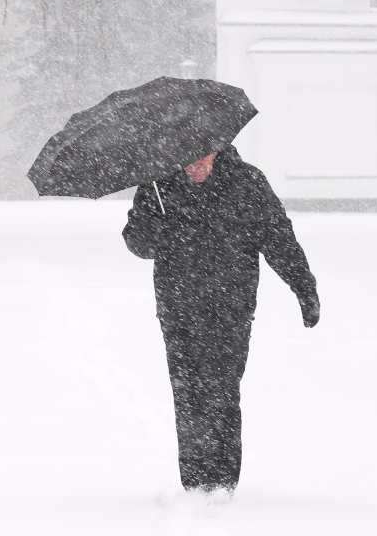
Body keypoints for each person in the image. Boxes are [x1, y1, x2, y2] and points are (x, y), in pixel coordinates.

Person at [123, 144, 318, 496]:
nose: (195, 164)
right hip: (177, 305)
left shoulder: (247, 182)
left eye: (203, 156)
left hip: (230, 306)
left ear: (218, 151)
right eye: (186, 158)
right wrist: (153, 227)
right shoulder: (157, 184)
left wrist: (304, 288)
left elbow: (279, 238)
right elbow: (137, 242)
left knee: (222, 389)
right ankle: (195, 483)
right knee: (188, 393)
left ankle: (223, 481)